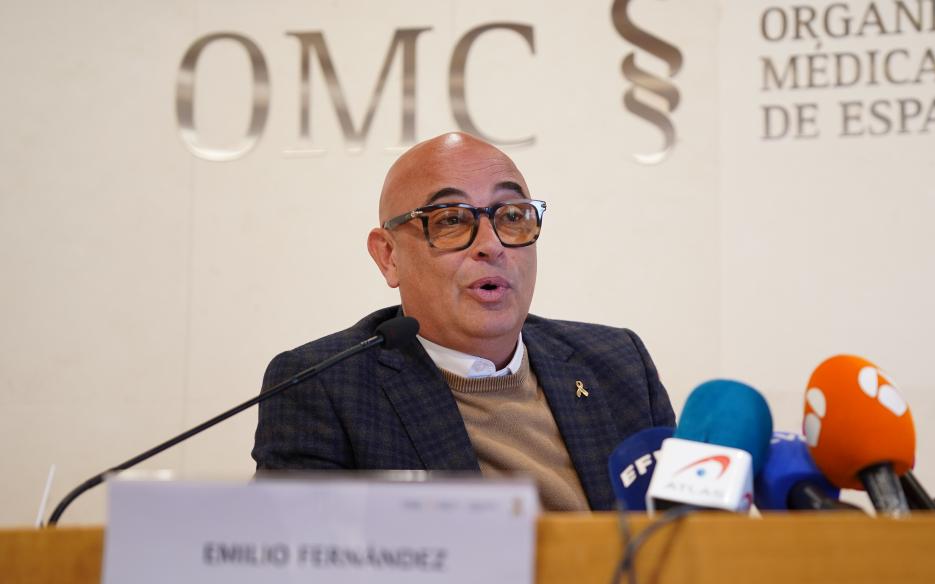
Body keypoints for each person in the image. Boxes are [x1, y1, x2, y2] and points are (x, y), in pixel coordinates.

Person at [252, 132, 675, 510]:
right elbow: (306, 565)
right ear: (388, 256)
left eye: (512, 216)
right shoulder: (326, 387)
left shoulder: (616, 363)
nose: (491, 245)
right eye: (451, 220)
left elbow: (685, 539)